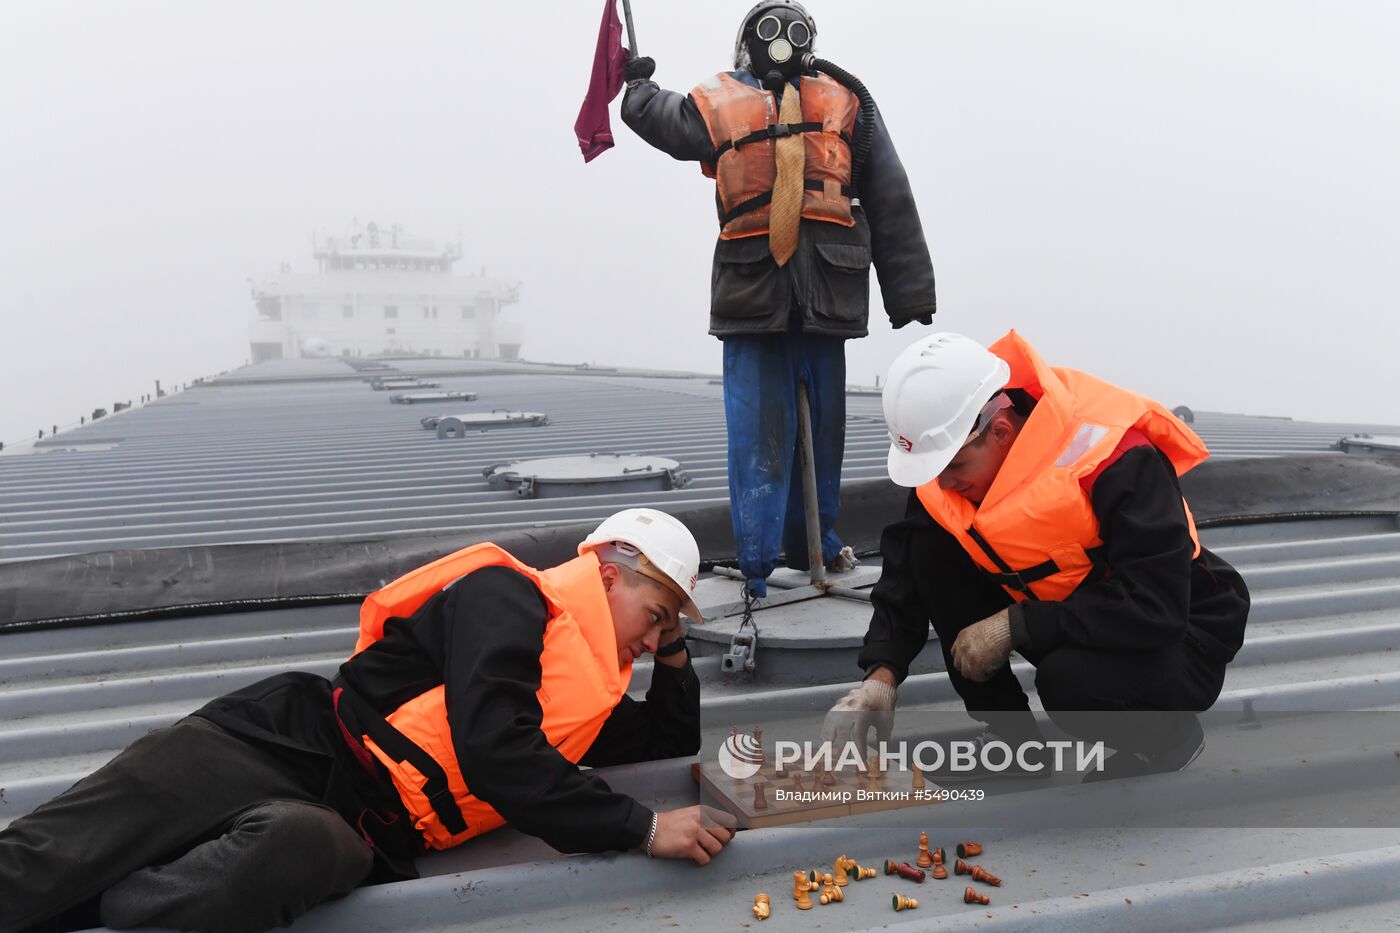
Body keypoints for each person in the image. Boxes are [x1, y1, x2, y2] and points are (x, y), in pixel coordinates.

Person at [0, 508, 733, 933]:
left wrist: (672, 649)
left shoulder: (582, 700)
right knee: (40, 864)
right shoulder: (505, 596)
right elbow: (492, 750)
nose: (648, 640)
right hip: (278, 742)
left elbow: (667, 740)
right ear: (606, 574)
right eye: (655, 616)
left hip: (358, 826)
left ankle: (117, 898)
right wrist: (641, 827)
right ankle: (100, 876)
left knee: (292, 850)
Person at [823, 331, 1250, 780]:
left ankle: (1168, 739)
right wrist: (880, 676)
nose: (943, 484)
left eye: (953, 468)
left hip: (1177, 631)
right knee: (932, 547)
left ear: (1001, 431)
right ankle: (1013, 744)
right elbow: (908, 575)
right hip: (1072, 614)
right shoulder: (949, 473)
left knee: (1071, 684)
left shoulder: (1116, 459)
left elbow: (1156, 607)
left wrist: (1016, 625)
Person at [620, 1, 937, 596]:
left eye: (794, 29)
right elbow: (669, 123)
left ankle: (816, 543)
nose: (783, 40)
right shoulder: (717, 99)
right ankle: (758, 561)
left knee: (825, 432)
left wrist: (909, 288)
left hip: (828, 296)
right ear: (746, 43)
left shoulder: (845, 102)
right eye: (769, 30)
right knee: (758, 436)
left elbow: (888, 191)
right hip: (753, 297)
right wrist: (638, 87)